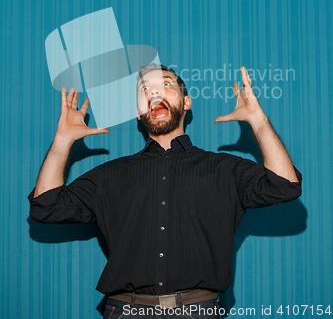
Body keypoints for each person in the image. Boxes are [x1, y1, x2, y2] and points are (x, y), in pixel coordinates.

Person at [29, 64, 302, 319]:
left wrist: (257, 119)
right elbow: (46, 207)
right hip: (126, 311)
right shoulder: (109, 176)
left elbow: (285, 186)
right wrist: (62, 140)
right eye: (145, 89)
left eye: (166, 85)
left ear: (186, 102)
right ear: (138, 111)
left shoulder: (224, 168)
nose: (154, 92)